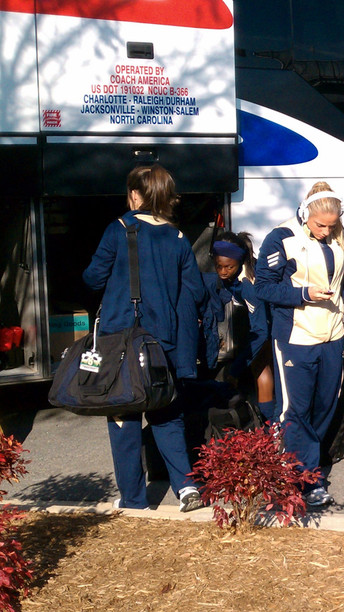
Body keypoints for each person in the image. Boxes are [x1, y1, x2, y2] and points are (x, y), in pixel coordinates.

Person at [82, 164, 205, 512]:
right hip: (162, 342)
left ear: (135, 195)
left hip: (122, 339)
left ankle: (134, 498)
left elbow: (93, 278)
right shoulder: (179, 238)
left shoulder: (119, 229)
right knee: (166, 411)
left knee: (124, 415)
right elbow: (194, 291)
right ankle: (186, 487)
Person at [254, 182, 344, 508]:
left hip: (332, 334)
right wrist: (303, 295)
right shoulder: (281, 238)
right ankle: (301, 478)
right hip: (296, 338)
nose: (325, 231)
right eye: (319, 225)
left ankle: (303, 465)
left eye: (331, 226)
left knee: (324, 406)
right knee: (295, 411)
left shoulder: (337, 237)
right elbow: (264, 288)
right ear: (305, 214)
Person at [202, 232, 275, 421]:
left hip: (276, 324)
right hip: (264, 322)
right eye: (218, 266)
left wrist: (236, 368)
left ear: (239, 262)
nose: (222, 272)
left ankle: (271, 424)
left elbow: (261, 330)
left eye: (228, 267)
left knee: (261, 366)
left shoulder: (248, 285)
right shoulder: (233, 276)